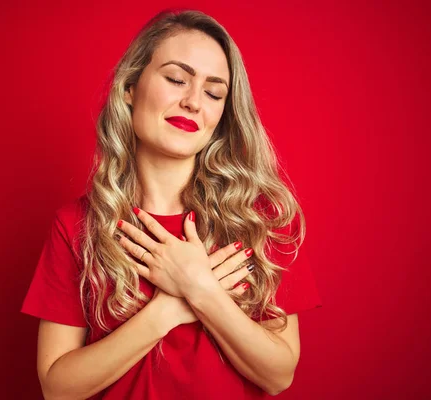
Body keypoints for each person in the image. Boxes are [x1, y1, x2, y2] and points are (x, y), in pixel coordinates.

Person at [21, 9, 322, 399]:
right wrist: (167, 310)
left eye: (214, 93)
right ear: (130, 87)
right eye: (177, 79)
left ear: (223, 115)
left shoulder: (261, 220)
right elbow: (58, 389)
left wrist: (201, 289)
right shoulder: (76, 225)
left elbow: (279, 375)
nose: (194, 101)